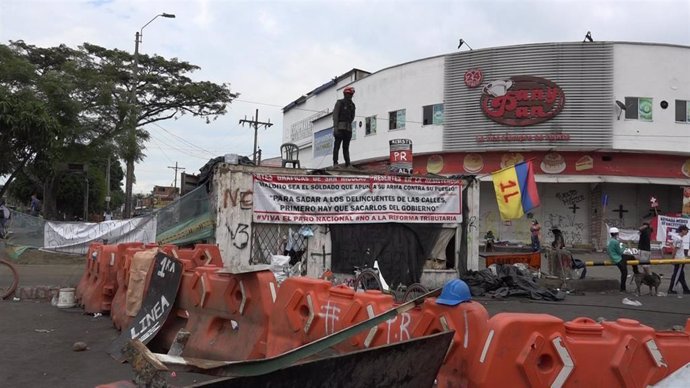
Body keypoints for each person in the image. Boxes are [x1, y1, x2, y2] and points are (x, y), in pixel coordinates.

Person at [332, 86, 356, 168]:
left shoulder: (352, 105)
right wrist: (335, 127)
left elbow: (352, 117)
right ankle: (335, 163)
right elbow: (335, 115)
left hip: (348, 129)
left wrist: (348, 126)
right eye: (349, 94)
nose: (350, 96)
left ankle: (348, 163)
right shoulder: (339, 103)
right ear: (345, 94)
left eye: (351, 94)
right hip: (339, 128)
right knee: (337, 146)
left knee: (346, 147)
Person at [668, 225, 690, 295]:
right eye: (686, 230)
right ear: (682, 230)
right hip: (679, 259)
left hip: (680, 258)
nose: (687, 232)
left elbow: (675, 248)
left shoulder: (677, 238)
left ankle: (686, 289)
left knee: (681, 275)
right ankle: (671, 289)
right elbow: (675, 249)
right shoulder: (679, 239)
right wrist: (672, 258)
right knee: (677, 275)